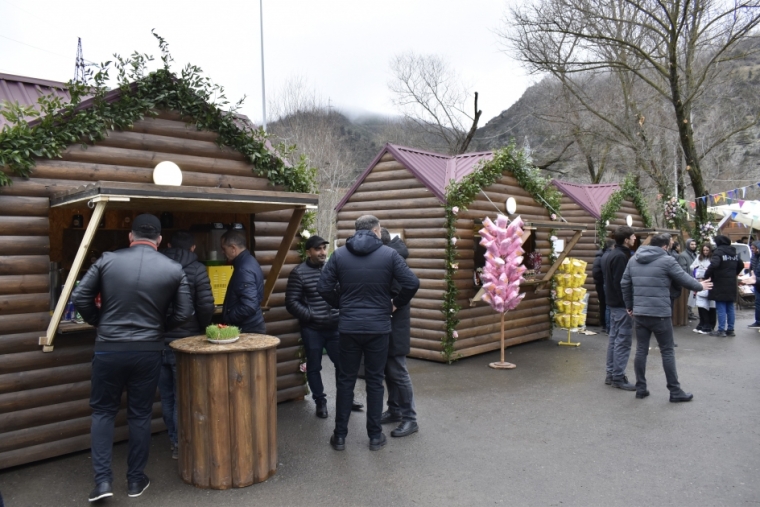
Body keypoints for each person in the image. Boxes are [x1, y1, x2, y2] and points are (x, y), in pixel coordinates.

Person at [72, 214, 193, 502]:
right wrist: (160, 327)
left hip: (109, 347)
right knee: (139, 415)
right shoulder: (174, 268)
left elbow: (79, 296)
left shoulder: (107, 260)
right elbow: (184, 312)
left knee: (103, 413)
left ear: (130, 235)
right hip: (148, 349)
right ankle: (136, 480)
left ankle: (102, 483)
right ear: (160, 240)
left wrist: (99, 322)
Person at [317, 215, 419, 452]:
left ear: (356, 231)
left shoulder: (340, 254)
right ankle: (374, 437)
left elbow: (323, 287)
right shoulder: (389, 255)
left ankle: (339, 436)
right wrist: (393, 303)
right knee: (375, 382)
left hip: (349, 328)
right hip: (378, 328)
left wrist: (342, 304)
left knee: (345, 380)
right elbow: (412, 283)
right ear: (377, 230)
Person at [621, 233, 712, 402]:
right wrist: (700, 285)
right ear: (664, 246)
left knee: (641, 350)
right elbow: (684, 279)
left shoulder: (634, 259)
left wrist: (630, 306)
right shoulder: (667, 260)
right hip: (660, 314)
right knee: (667, 351)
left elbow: (624, 283)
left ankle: (641, 388)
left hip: (640, 313)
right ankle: (675, 391)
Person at [285, 235, 363, 418]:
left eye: (324, 248)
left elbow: (343, 292)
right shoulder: (299, 273)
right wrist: (311, 315)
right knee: (314, 367)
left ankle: (346, 399)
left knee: (343, 365)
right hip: (312, 329)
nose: (322, 252)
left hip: (336, 327)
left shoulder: (332, 268)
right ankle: (320, 402)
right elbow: (291, 302)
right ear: (308, 252)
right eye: (318, 249)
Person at [159, 230, 215, 459]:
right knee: (182, 396)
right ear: (193, 248)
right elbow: (205, 306)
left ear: (169, 244)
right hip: (186, 340)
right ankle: (182, 443)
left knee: (166, 396)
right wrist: (202, 328)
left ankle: (174, 440)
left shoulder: (157, 265)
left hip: (157, 340)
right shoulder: (197, 269)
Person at [379, 228, 419, 438]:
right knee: (389, 370)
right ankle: (394, 410)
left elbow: (409, 285)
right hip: (388, 325)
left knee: (398, 372)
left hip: (395, 326)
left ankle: (410, 419)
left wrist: (394, 304)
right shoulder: (391, 257)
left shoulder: (394, 261)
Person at [601, 226, 636, 390]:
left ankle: (611, 374)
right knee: (622, 341)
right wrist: (629, 304)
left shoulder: (612, 253)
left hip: (613, 303)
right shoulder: (622, 256)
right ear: (626, 239)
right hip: (621, 305)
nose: (635, 238)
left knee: (614, 339)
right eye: (632, 236)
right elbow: (621, 283)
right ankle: (618, 377)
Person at [221, 229, 266, 334]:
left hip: (248, 329)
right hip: (252, 326)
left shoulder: (244, 269)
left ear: (233, 248)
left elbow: (249, 305)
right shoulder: (249, 261)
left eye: (224, 248)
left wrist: (228, 318)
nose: (222, 252)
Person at [704, 235, 744, 337]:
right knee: (730, 307)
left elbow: (714, 264)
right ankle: (730, 329)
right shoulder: (733, 252)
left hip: (720, 283)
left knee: (721, 306)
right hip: (731, 283)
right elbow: (741, 264)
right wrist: (734, 273)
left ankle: (721, 330)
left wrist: (706, 275)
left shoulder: (719, 251)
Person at [691, 243, 717, 334]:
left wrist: (707, 271)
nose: (705, 252)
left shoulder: (713, 258)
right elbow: (692, 267)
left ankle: (709, 325)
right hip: (700, 282)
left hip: (709, 283)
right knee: (701, 304)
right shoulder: (699, 257)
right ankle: (703, 324)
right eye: (704, 250)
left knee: (711, 305)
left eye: (707, 250)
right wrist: (697, 268)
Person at [592, 239, 615, 333]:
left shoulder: (602, 256)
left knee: (604, 305)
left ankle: (605, 324)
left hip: (602, 283)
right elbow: (596, 272)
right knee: (605, 305)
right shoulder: (601, 257)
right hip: (601, 284)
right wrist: (602, 281)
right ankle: (605, 324)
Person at [678, 238, 699, 321]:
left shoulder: (695, 255)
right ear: (688, 245)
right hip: (688, 279)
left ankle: (690, 312)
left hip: (695, 279)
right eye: (692, 244)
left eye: (694, 244)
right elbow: (683, 268)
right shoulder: (683, 255)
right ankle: (688, 313)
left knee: (692, 297)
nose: (694, 246)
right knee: (687, 298)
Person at [749, 241, 760, 328]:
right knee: (757, 302)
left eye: (753, 248)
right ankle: (758, 321)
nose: (752, 250)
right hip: (756, 283)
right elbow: (751, 268)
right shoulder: (753, 256)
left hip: (757, 280)